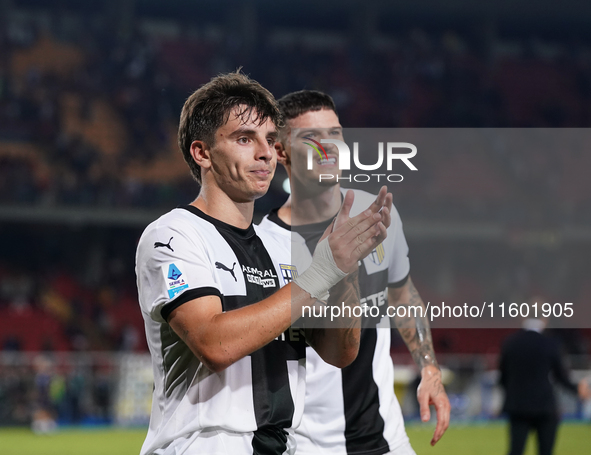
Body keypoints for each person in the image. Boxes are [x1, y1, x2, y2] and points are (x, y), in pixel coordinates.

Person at [135, 72, 392, 455]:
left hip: (277, 445)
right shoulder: (174, 235)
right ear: (202, 153)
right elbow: (213, 343)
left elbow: (340, 352)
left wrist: (342, 271)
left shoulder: (282, 247)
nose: (265, 153)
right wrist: (319, 274)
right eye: (244, 139)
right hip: (203, 444)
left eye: (271, 140)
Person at [258, 90, 450, 455]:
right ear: (281, 152)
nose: (328, 147)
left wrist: (429, 368)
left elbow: (402, 294)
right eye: (312, 138)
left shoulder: (376, 214)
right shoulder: (264, 246)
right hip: (307, 447)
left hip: (388, 441)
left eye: (336, 133)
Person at [499, 316, 589, 455]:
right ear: (545, 319)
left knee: (515, 450)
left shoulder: (511, 342)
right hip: (545, 406)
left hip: (518, 406)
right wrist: (577, 389)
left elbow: (503, 377)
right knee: (546, 451)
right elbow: (561, 377)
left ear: (523, 317)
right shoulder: (551, 343)